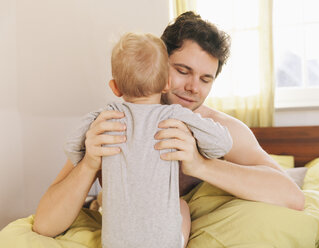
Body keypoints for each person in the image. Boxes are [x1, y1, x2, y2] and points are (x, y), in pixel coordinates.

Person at [32, 11, 304, 243]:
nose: (192, 88)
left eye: (205, 79)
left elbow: (292, 196)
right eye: (183, 71)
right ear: (160, 65)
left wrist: (201, 165)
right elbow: (45, 223)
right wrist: (90, 163)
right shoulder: (113, 124)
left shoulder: (217, 128)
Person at [63, 32, 232, 248]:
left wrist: (87, 159)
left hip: (115, 242)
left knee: (107, 202)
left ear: (115, 87)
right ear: (166, 84)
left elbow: (71, 146)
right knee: (181, 206)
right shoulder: (174, 115)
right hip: (164, 242)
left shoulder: (105, 117)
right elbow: (222, 144)